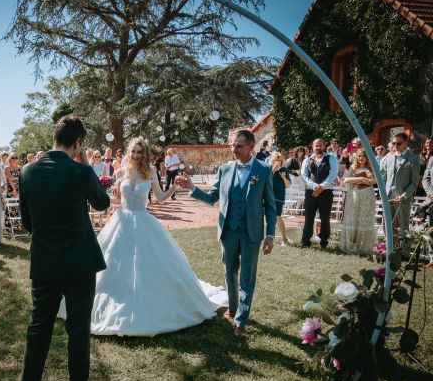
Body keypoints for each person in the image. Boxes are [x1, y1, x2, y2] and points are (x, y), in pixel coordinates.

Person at [58, 136, 227, 334]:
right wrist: (98, 194)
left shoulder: (151, 171)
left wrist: (174, 187)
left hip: (143, 220)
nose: (136, 155)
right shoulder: (121, 171)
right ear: (128, 152)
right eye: (133, 151)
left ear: (144, 153)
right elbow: (116, 201)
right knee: (111, 264)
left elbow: (161, 198)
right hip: (121, 222)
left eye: (140, 152)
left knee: (147, 264)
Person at [18, 115, 110, 381]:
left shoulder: (28, 171)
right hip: (79, 264)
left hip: (44, 264)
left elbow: (28, 223)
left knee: (38, 328)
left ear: (55, 137)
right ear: (78, 143)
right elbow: (102, 203)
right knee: (77, 331)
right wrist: (85, 165)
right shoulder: (81, 171)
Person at [177, 129, 276, 338]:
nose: (234, 149)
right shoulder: (225, 169)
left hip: (252, 232)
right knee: (229, 271)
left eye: (238, 145)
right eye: (232, 145)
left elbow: (270, 205)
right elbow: (212, 197)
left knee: (247, 277)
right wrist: (192, 188)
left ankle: (241, 320)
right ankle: (232, 309)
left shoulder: (264, 170)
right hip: (228, 231)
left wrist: (270, 234)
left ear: (251, 146)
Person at [384, 132, 420, 256]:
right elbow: (383, 176)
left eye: (398, 143)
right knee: (388, 225)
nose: (395, 145)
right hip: (388, 196)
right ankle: (390, 250)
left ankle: (405, 252)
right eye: (393, 143)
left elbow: (414, 182)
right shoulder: (388, 157)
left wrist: (404, 195)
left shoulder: (413, 159)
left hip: (403, 198)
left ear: (405, 143)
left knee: (404, 226)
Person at [300, 138, 338, 249]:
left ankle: (324, 242)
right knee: (308, 217)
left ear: (324, 146)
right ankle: (305, 241)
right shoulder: (307, 159)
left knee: (325, 218)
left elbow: (333, 174)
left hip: (326, 192)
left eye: (320, 145)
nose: (318, 147)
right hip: (311, 192)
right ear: (312, 147)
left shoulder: (331, 158)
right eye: (316, 146)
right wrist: (314, 186)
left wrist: (321, 187)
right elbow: (304, 175)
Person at [339, 151, 376, 255]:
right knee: (352, 219)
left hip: (367, 195)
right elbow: (345, 180)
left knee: (363, 219)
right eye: (359, 156)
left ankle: (362, 247)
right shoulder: (352, 167)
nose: (361, 158)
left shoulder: (371, 168)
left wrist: (366, 181)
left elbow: (375, 180)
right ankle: (350, 246)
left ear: (367, 157)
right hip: (354, 195)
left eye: (364, 156)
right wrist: (360, 178)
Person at [270, 151, 292, 245]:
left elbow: (288, 185)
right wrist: (273, 171)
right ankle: (269, 238)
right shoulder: (268, 169)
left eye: (279, 160)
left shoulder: (284, 170)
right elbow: (265, 181)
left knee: (277, 216)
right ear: (272, 160)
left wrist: (284, 178)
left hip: (278, 196)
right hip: (268, 196)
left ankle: (284, 238)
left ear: (282, 161)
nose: (277, 162)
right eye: (275, 159)